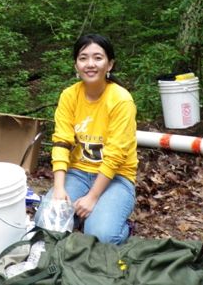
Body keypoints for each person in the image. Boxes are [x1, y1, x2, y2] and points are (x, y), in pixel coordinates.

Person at [50, 33, 138, 244]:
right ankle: (83, 214)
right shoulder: (69, 96)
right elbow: (61, 141)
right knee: (46, 224)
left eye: (98, 58)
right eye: (83, 58)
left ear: (110, 65)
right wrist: (59, 189)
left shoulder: (121, 100)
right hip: (78, 173)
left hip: (117, 177)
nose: (90, 64)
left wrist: (92, 197)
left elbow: (116, 155)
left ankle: (118, 224)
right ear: (76, 65)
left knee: (101, 236)